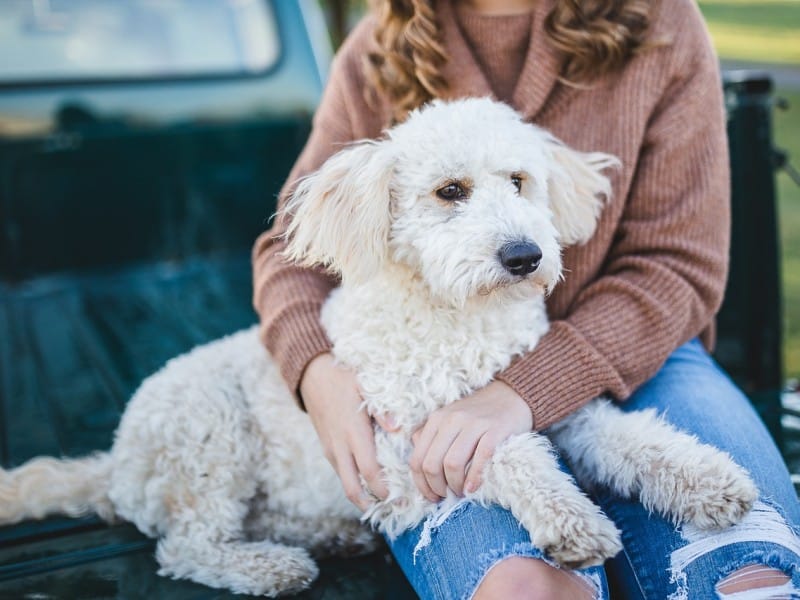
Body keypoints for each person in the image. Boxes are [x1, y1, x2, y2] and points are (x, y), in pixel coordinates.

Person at [252, 0, 800, 597]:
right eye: (451, 191)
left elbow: (678, 265)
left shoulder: (661, 20)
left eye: (516, 183)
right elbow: (289, 251)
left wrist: (524, 390)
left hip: (643, 353)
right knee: (527, 587)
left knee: (748, 572)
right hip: (433, 376)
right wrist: (316, 371)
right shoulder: (380, 46)